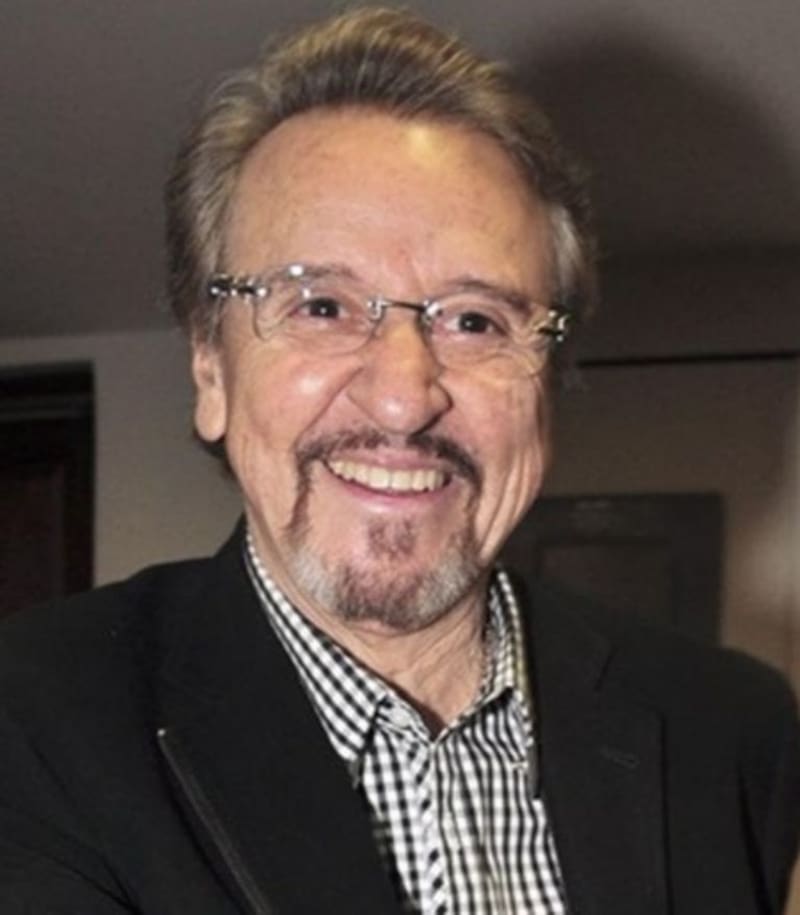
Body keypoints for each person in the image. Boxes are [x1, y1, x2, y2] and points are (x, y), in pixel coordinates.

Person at [0, 7, 797, 914]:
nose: (402, 397)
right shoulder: (32, 729)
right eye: (322, 306)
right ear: (210, 368)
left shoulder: (731, 733)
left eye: (475, 320)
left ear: (547, 380)